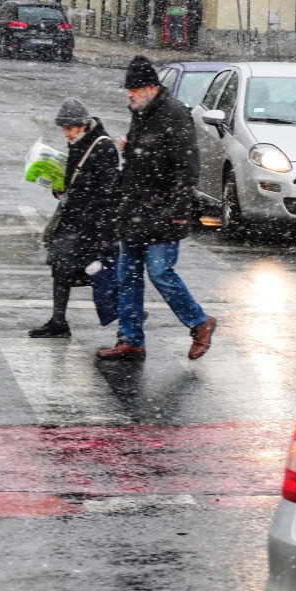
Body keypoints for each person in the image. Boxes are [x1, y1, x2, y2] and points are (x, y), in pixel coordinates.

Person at [97, 56, 216, 362]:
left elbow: (187, 167)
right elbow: (140, 160)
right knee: (127, 276)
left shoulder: (175, 114)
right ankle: (131, 340)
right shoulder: (141, 112)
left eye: (134, 89)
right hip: (135, 210)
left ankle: (200, 323)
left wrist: (177, 210)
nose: (129, 94)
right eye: (128, 90)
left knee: (160, 272)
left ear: (151, 87)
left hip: (162, 211)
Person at [29, 99, 121, 339]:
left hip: (92, 225)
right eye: (64, 128)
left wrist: (102, 233)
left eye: (70, 128)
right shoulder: (78, 142)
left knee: (100, 275)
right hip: (74, 221)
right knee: (61, 268)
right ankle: (58, 321)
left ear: (82, 124)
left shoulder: (103, 147)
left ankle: (129, 318)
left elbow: (107, 194)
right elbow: (74, 180)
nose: (66, 134)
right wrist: (59, 191)